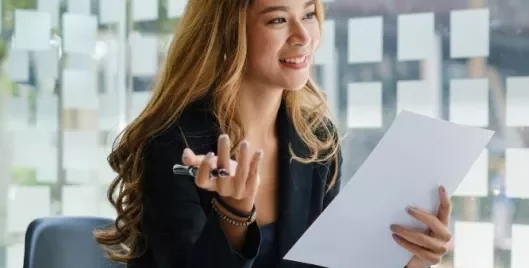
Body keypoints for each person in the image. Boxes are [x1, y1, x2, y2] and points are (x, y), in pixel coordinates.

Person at [93, 0, 453, 267]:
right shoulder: (173, 144)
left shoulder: (316, 142)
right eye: (278, 19)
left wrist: (409, 260)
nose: (303, 36)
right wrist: (234, 218)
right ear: (229, 33)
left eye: (309, 13)